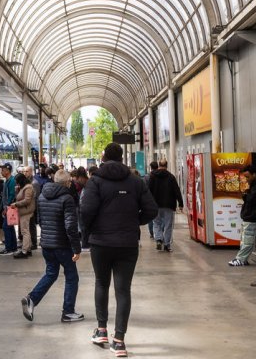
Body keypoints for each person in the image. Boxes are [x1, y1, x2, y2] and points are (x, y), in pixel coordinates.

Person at [80, 142, 158, 358]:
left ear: (104, 157)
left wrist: (92, 229)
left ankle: (102, 330)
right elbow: (151, 209)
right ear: (122, 157)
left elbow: (85, 211)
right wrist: (134, 222)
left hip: (101, 243)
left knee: (101, 284)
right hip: (128, 243)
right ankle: (119, 341)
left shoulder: (94, 181)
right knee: (123, 290)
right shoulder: (136, 181)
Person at [21, 168, 83, 323]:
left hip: (47, 244)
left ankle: (32, 299)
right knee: (71, 277)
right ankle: (68, 311)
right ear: (67, 183)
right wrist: (76, 248)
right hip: (62, 245)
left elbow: (40, 220)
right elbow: (70, 226)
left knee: (51, 274)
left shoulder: (42, 196)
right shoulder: (67, 198)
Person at [229, 165, 256, 267]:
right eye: (245, 177)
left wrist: (246, 195)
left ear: (254, 175)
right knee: (245, 238)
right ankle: (242, 259)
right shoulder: (255, 185)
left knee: (248, 239)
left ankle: (241, 259)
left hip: (251, 216)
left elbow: (251, 200)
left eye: (248, 177)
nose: (246, 179)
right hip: (248, 216)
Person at [147, 159, 184, 253]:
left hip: (155, 205)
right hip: (169, 205)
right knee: (168, 225)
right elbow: (177, 190)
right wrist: (181, 204)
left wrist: (147, 203)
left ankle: (159, 239)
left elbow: (148, 190)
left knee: (156, 223)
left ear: (159, 165)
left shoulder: (152, 176)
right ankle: (167, 245)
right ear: (167, 166)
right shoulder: (171, 177)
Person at [12, 168, 36, 258]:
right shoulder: (23, 188)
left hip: (26, 212)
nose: (16, 183)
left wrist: (16, 204)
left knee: (25, 232)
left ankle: (25, 251)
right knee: (25, 231)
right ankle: (28, 249)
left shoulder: (28, 187)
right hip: (23, 212)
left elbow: (27, 200)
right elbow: (19, 197)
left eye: (17, 181)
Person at [0, 163, 19, 255]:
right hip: (7, 207)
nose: (1, 172)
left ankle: (9, 248)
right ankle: (13, 247)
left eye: (2, 170)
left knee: (6, 227)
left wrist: (7, 207)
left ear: (7, 170)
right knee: (9, 227)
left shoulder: (11, 181)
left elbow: (11, 195)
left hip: (9, 207)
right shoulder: (7, 180)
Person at [145, 161, 159, 242]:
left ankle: (152, 233)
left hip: (150, 199)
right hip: (160, 199)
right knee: (160, 218)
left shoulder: (147, 176)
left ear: (151, 167)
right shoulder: (163, 175)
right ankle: (160, 233)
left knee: (151, 217)